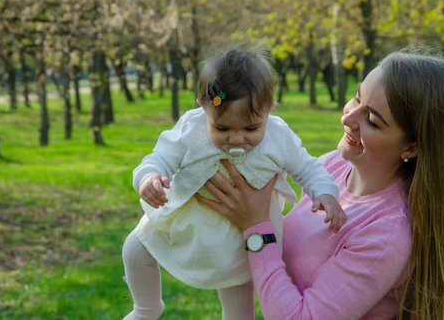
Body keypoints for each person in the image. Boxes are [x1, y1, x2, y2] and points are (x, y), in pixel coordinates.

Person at [197, 51, 444, 320]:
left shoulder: (386, 235)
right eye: (357, 98)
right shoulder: (333, 167)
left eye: (373, 121)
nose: (347, 118)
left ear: (411, 147)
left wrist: (256, 229)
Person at [122, 45, 347, 320]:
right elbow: (159, 157)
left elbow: (308, 167)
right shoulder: (190, 129)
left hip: (240, 237)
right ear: (203, 107)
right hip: (189, 219)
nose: (237, 139)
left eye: (251, 129)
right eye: (223, 128)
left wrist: (324, 192)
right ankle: (145, 309)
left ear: (269, 109)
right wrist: (149, 177)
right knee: (135, 248)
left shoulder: (278, 136)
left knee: (238, 302)